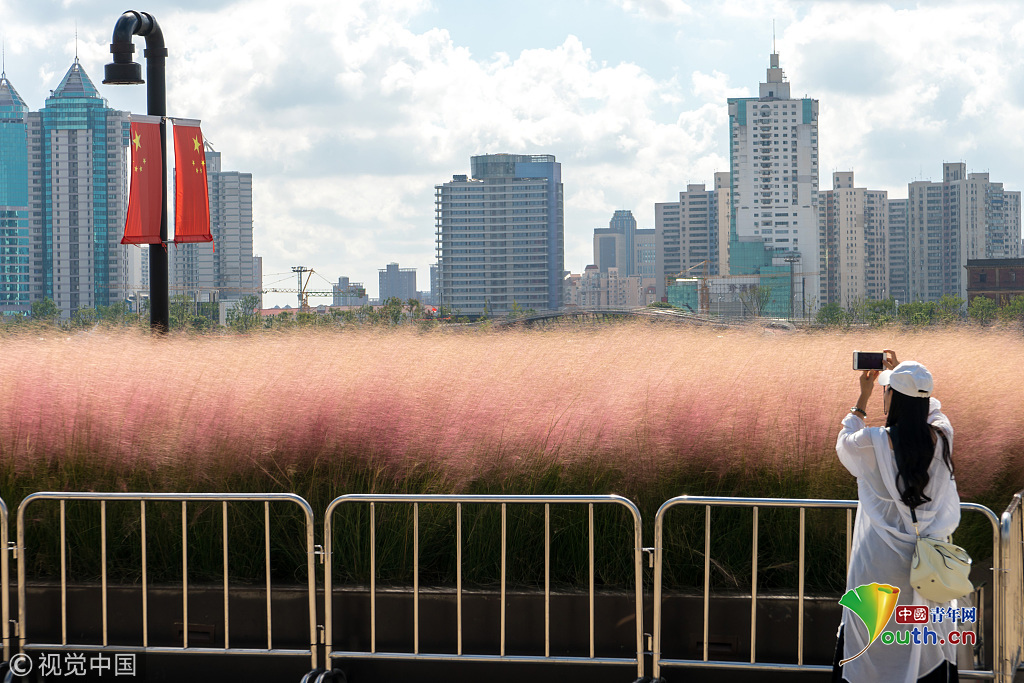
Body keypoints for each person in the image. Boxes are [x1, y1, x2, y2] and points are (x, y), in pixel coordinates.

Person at [833, 349, 960, 683]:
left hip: (879, 562)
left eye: (888, 391)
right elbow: (935, 411)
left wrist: (863, 398)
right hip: (929, 563)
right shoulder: (942, 438)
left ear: (892, 397)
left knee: (872, 634)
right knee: (924, 632)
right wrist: (909, 380)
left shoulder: (871, 442)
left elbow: (844, 442)